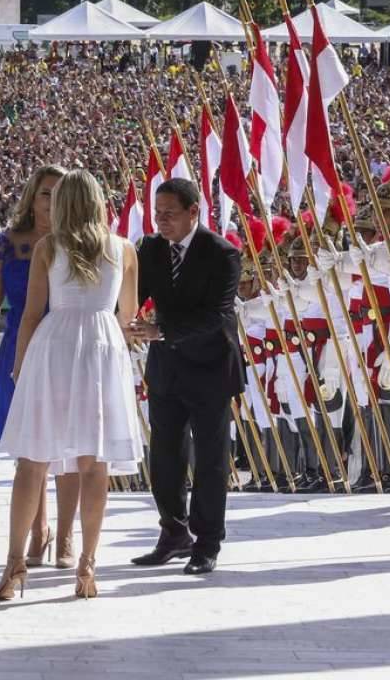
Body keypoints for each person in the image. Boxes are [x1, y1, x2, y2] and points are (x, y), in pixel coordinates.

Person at [0, 169, 142, 601]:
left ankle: (15, 566)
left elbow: (31, 314)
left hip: (53, 347)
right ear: (98, 201)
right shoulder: (123, 249)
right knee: (94, 464)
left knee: (32, 460)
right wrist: (124, 334)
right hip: (101, 348)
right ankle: (86, 565)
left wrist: (20, 366)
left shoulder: (47, 247)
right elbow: (128, 316)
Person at [127, 177, 243, 575]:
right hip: (166, 368)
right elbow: (134, 295)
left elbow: (217, 314)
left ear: (194, 211)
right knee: (165, 455)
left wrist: (162, 330)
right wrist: (124, 321)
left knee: (210, 459)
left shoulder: (222, 253)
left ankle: (207, 542)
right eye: (157, 213)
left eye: (170, 214)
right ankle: (173, 531)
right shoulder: (150, 249)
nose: (161, 221)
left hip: (210, 367)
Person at [0, 166, 80, 567]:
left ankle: (68, 535)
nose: (50, 202)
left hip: (68, 346)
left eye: (58, 194)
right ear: (31, 198)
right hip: (21, 344)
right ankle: (39, 530)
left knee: (69, 444)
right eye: (44, 194)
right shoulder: (10, 243)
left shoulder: (78, 243)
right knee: (29, 447)